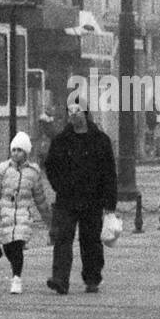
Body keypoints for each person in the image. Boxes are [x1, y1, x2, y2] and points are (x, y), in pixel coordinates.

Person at [43, 98, 118, 294]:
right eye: (70, 111)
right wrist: (59, 186)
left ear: (85, 113)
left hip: (92, 200)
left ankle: (92, 278)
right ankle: (60, 279)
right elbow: (50, 166)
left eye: (77, 110)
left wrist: (110, 203)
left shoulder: (100, 140)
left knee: (91, 240)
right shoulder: (61, 140)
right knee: (62, 238)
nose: (73, 114)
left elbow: (109, 173)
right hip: (67, 199)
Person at [0, 131, 53, 294]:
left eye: (19, 150)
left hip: (23, 216)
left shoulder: (33, 173)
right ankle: (15, 271)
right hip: (5, 216)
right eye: (14, 149)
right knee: (8, 247)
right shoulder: (2, 170)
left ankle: (16, 278)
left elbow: (40, 198)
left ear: (26, 152)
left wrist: (49, 220)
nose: (16, 153)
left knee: (17, 246)